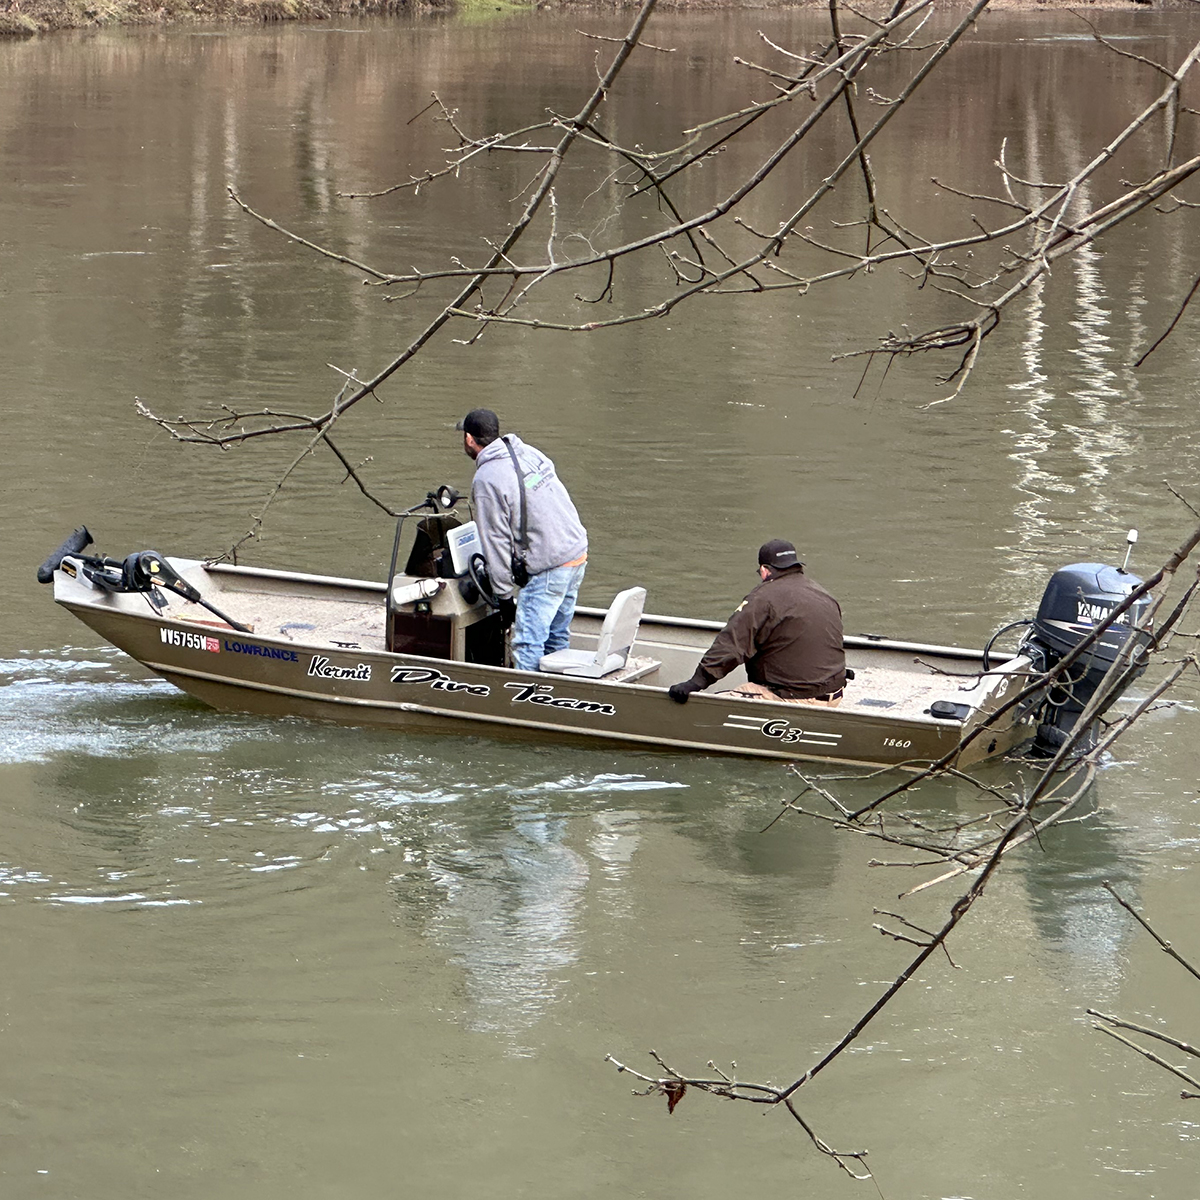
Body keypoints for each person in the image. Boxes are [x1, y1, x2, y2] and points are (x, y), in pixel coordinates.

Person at [458, 408, 589, 672]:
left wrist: (504, 596)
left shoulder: (487, 479)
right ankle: (556, 697)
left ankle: (524, 702)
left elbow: (495, 542)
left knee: (527, 645)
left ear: (470, 439)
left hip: (549, 566)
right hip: (575, 553)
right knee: (556, 636)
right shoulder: (529, 452)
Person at [668, 539, 846, 705]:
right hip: (834, 692)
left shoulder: (762, 598)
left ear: (764, 570)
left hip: (795, 697)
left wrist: (696, 682)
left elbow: (731, 645)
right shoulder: (823, 594)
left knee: (709, 706)